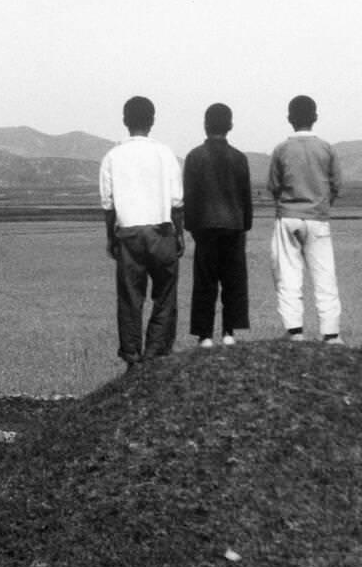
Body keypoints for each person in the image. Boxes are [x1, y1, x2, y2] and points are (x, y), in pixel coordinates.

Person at [99, 96, 184, 371]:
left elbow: (108, 204)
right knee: (166, 295)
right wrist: (180, 234)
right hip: (161, 231)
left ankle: (133, 358)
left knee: (129, 298)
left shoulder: (112, 156)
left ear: (125, 121)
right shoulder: (165, 153)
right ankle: (156, 354)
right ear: (153, 120)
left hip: (129, 234)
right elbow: (177, 201)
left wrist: (111, 237)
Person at [266, 95, 343, 342]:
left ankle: (294, 331)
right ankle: (330, 334)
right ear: (315, 117)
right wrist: (320, 205)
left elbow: (273, 185)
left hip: (287, 217)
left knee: (288, 276)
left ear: (289, 119)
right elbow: (336, 185)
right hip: (318, 218)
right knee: (324, 277)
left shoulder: (281, 149)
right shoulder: (326, 148)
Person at [183, 103, 253, 347]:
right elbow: (246, 197)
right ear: (230, 125)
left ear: (205, 125)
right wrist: (245, 224)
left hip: (204, 226)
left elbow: (189, 197)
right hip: (234, 225)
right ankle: (229, 331)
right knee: (233, 280)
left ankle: (204, 335)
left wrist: (191, 226)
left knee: (205, 281)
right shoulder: (239, 158)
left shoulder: (194, 157)